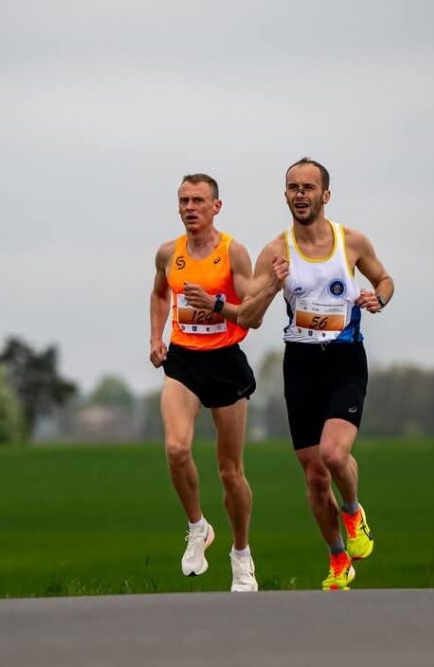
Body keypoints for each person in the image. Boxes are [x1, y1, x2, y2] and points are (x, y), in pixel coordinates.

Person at [238, 157, 395, 591]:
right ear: (285, 195)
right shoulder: (275, 251)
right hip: (301, 365)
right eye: (293, 187)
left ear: (325, 195)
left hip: (344, 361)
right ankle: (338, 558)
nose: (300, 194)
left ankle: (353, 512)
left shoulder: (351, 241)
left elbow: (385, 280)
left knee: (333, 455)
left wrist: (379, 298)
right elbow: (248, 317)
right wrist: (273, 286)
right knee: (313, 474)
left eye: (308, 187)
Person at [149, 173, 259, 592]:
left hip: (225, 361)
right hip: (184, 361)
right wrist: (155, 338)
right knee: (176, 448)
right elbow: (160, 294)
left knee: (230, 472)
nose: (190, 208)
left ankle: (241, 555)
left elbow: (248, 310)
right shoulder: (167, 253)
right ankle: (198, 526)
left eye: (198, 200)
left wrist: (214, 304)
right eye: (184, 201)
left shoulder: (234, 252)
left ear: (217, 206)